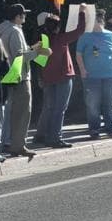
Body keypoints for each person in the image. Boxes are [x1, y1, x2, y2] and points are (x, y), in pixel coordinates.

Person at [0, 3, 48, 156]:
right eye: (23, 14)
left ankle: (6, 142)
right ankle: (18, 146)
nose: (24, 16)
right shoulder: (15, 31)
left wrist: (31, 48)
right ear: (17, 16)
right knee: (23, 112)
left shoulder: (3, 31)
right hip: (20, 76)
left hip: (8, 75)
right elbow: (20, 56)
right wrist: (37, 51)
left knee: (8, 112)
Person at [33, 8, 85, 147]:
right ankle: (54, 137)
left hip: (48, 78)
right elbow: (80, 30)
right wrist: (82, 12)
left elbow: (39, 62)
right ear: (58, 27)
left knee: (49, 107)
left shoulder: (41, 41)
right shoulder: (62, 39)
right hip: (63, 77)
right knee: (59, 109)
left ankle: (40, 135)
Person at [76, 12, 112, 139]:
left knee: (111, 103)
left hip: (111, 75)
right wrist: (82, 70)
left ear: (99, 21)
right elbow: (78, 55)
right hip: (91, 77)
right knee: (92, 105)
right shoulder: (84, 37)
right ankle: (94, 129)